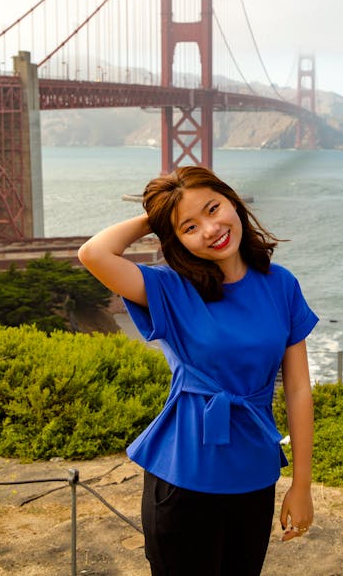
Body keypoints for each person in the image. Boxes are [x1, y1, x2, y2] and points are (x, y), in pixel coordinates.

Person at [78, 165, 318, 576]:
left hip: (255, 473)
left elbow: (297, 389)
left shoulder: (281, 284)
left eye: (213, 208)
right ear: (175, 240)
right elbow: (93, 254)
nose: (210, 229)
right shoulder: (168, 288)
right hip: (183, 478)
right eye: (189, 227)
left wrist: (302, 485)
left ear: (233, 202)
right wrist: (159, 213)